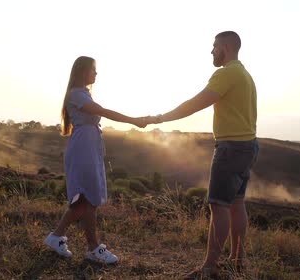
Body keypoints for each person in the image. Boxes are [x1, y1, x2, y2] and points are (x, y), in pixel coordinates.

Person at [147, 31, 258, 278]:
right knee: (237, 204)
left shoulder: (226, 73)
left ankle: (209, 267)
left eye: (214, 46)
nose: (211, 52)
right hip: (248, 146)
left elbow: (194, 104)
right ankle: (237, 261)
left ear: (226, 47)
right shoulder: (245, 75)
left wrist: (159, 118)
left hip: (230, 149)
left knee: (218, 206)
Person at [44, 56, 147, 264]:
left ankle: (56, 237)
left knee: (83, 199)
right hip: (83, 148)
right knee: (89, 197)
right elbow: (103, 112)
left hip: (88, 146)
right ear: (83, 71)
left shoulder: (83, 94)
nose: (96, 73)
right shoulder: (76, 94)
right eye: (93, 69)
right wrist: (133, 121)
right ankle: (92, 248)